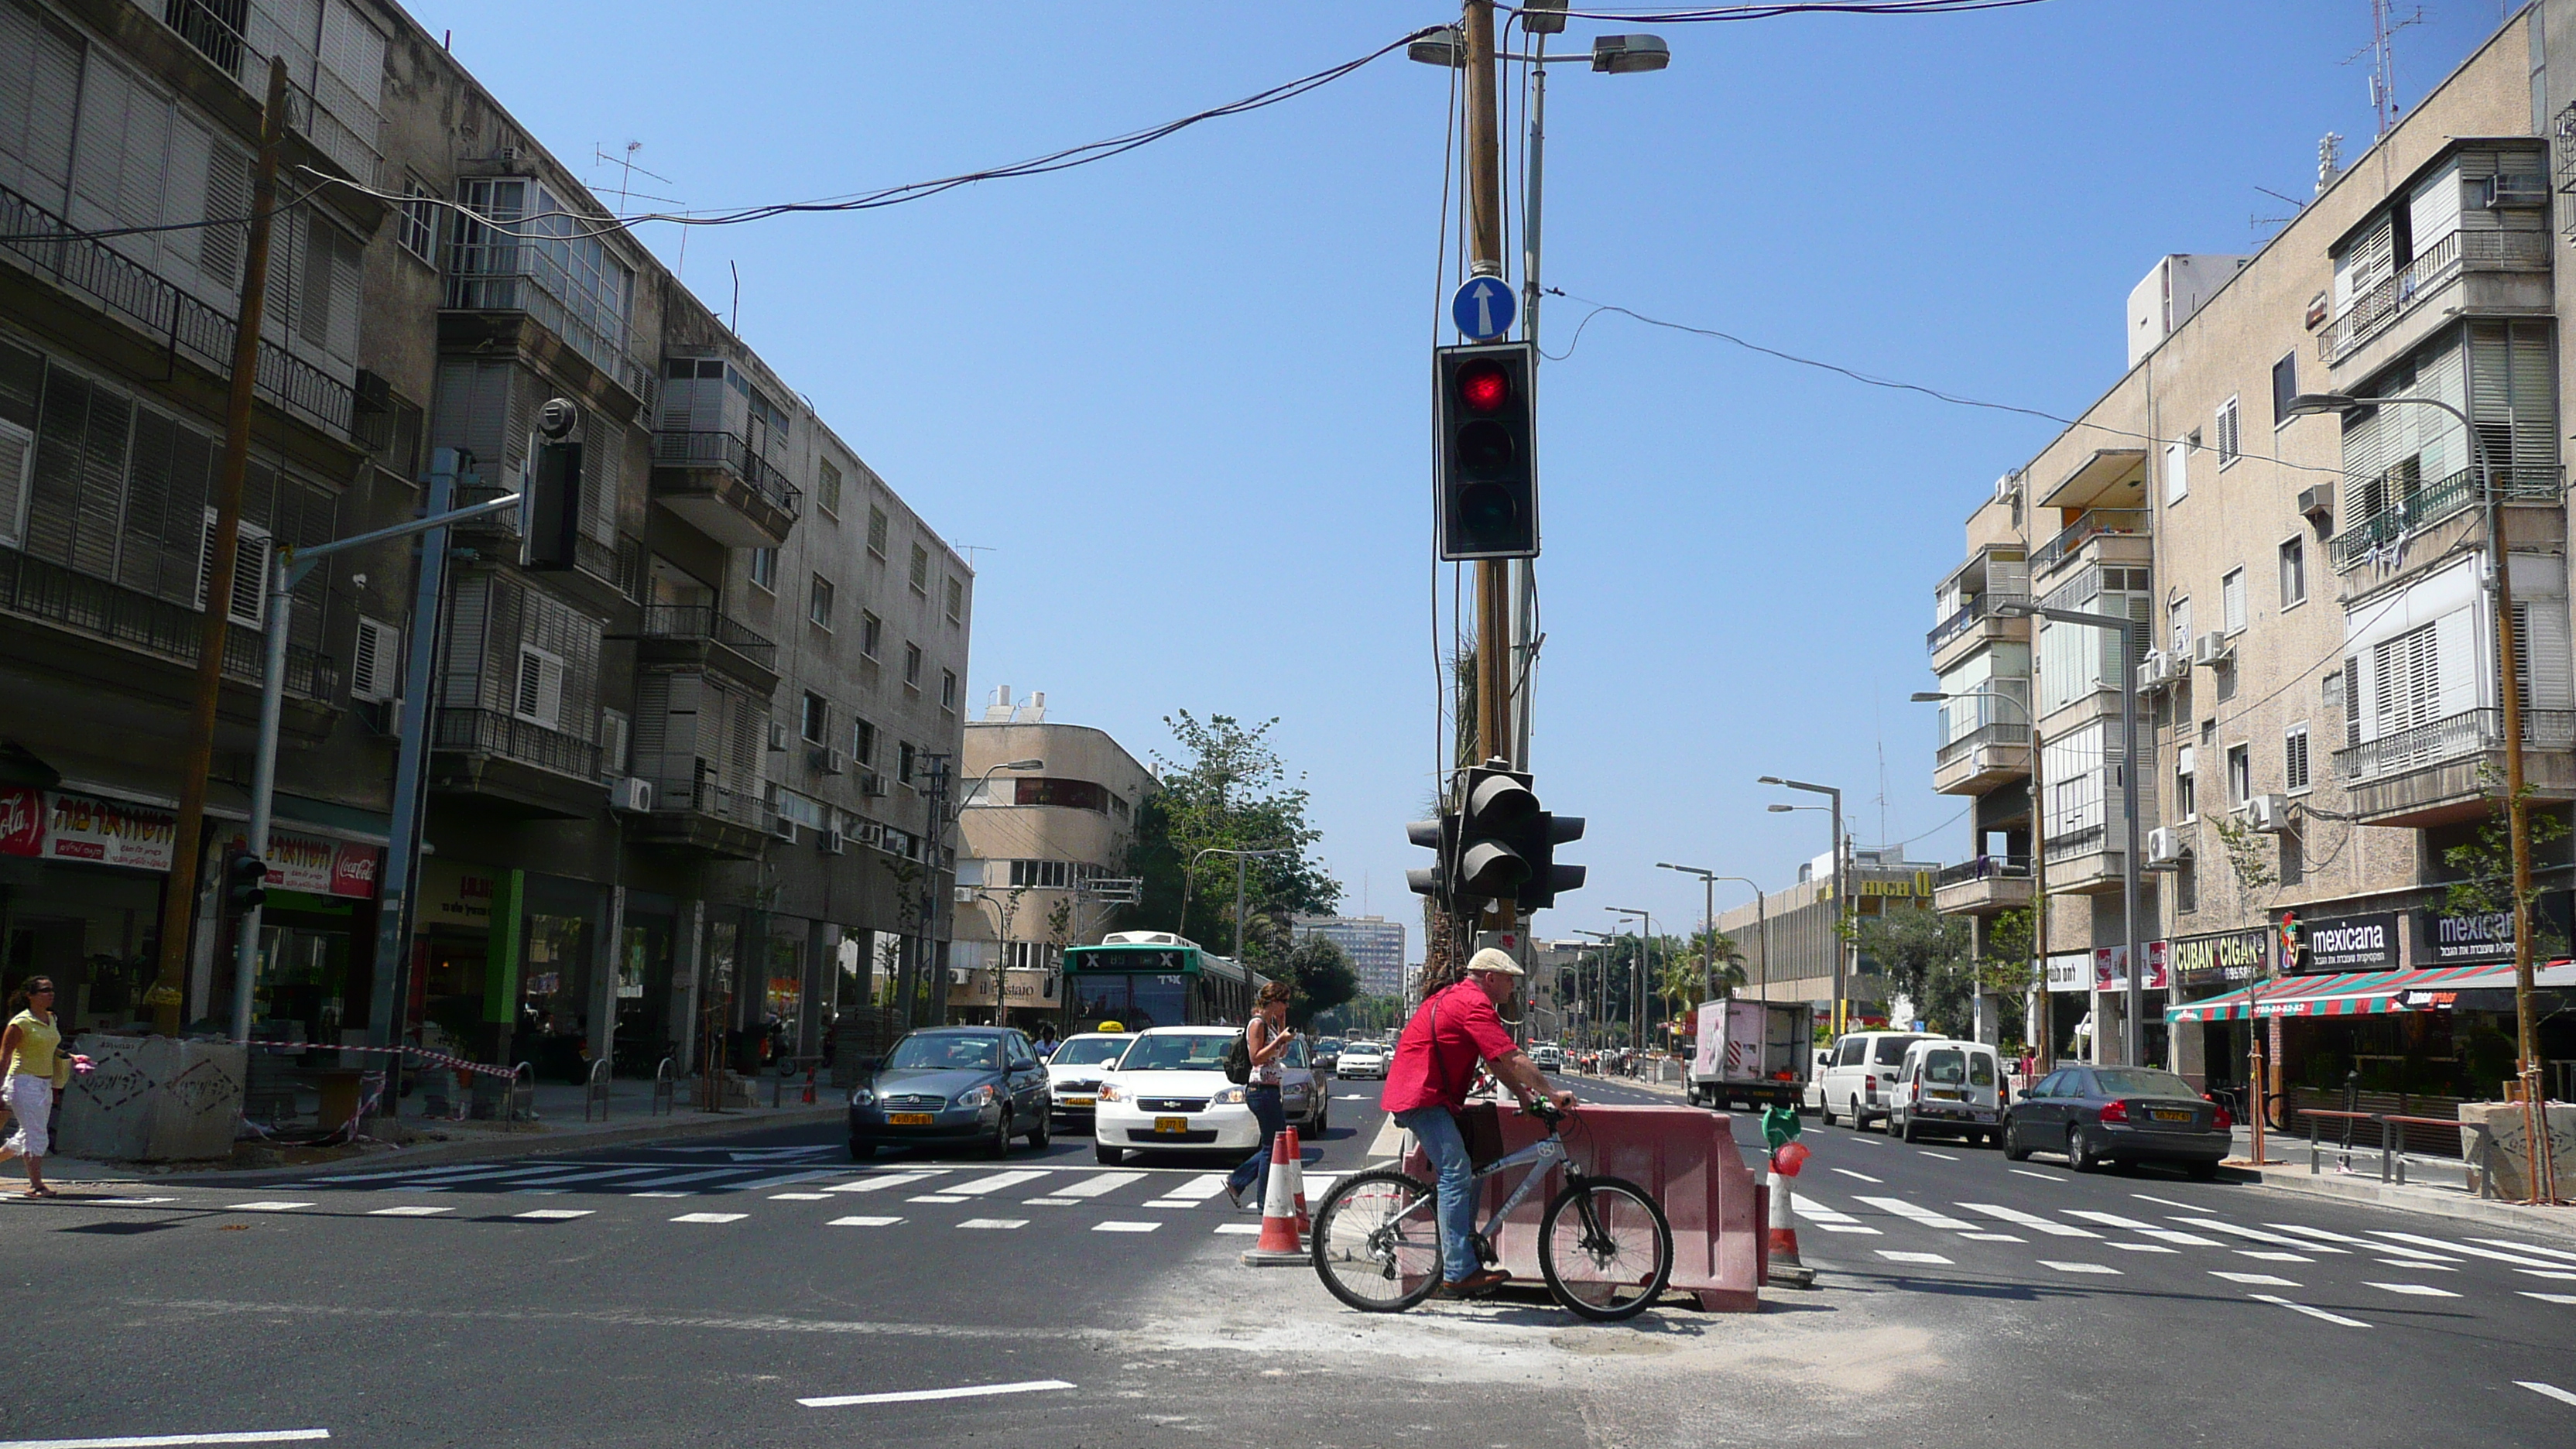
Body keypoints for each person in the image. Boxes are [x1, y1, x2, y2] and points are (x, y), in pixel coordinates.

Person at [1381, 948, 1576, 1298]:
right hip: (1421, 1095)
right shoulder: (1474, 1004)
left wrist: (1523, 1095)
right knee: (1456, 1171)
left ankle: (1462, 1252)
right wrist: (1551, 1091)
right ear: (1490, 978)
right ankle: (1458, 1272)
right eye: (1509, 981)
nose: (1513, 988)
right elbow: (1512, 1056)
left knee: (1468, 1169)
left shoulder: (1462, 998)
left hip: (1428, 1093)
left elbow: (1496, 1062)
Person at [1224, 980, 1297, 1211]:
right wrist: (1278, 1039)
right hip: (1260, 1090)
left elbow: (1280, 1054)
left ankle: (1239, 1182)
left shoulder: (1269, 1024)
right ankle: (1263, 1200)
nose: (1286, 1006)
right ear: (1273, 1001)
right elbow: (1256, 1057)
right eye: (1284, 1002)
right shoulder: (1257, 1024)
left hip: (1270, 1090)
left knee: (1274, 1144)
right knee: (1273, 1146)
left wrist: (1282, 1028)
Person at [0, 977, 67, 1198]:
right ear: (30, 995)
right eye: (45, 990)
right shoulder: (20, 1023)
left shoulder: (51, 1018)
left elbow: (52, 1048)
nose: (51, 994)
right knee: (36, 1133)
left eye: (52, 990)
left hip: (44, 1083)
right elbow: (5, 1057)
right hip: (22, 1082)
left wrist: (74, 1057)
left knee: (26, 1133)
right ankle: (36, 1185)